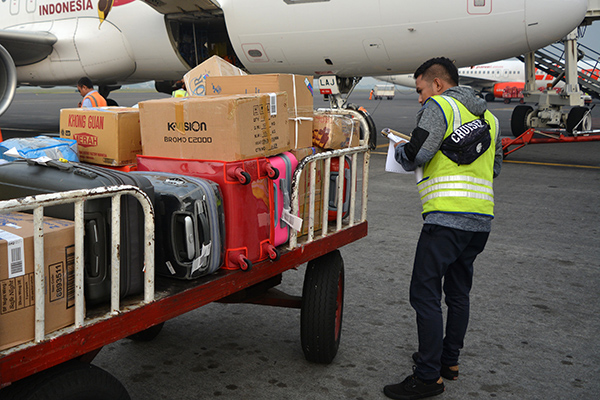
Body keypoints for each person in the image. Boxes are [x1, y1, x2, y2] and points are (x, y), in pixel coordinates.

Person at [384, 57, 502, 400]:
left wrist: (400, 150)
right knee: (458, 293)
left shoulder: (440, 107)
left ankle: (427, 377)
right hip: (480, 220)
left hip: (446, 219)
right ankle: (449, 362)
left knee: (424, 294)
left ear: (437, 84)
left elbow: (417, 154)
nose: (420, 97)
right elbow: (494, 168)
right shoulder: (491, 118)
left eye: (420, 90)